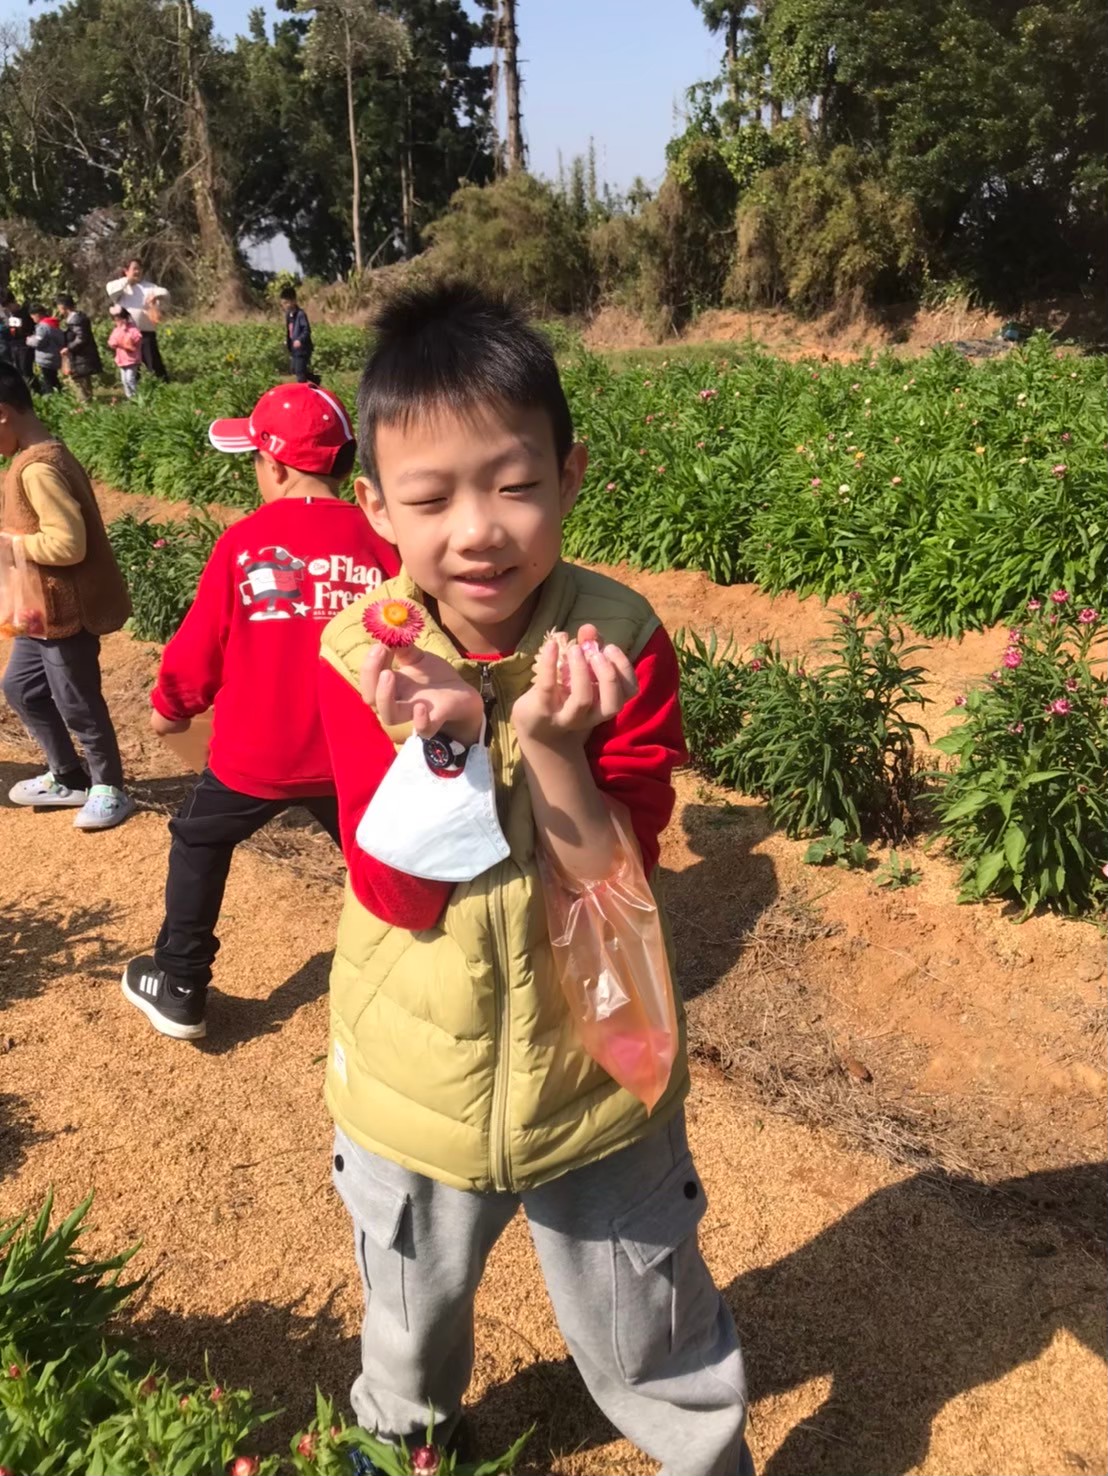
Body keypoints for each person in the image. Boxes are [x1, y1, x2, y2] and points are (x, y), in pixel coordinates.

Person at [315, 284, 752, 1476]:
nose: (477, 532)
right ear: (374, 508)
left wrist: (552, 748)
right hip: (415, 1079)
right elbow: (397, 893)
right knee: (409, 1317)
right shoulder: (360, 653)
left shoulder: (621, 639)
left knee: (650, 1322)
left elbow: (617, 881)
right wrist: (446, 749)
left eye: (513, 486)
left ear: (568, 476)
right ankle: (403, 1442)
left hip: (598, 1073)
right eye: (429, 499)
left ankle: (702, 1454)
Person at [120, 381, 399, 1042]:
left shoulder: (245, 542)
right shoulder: (382, 538)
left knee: (199, 839)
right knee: (385, 860)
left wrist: (171, 708)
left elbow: (200, 647)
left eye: (254, 459)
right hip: (356, 757)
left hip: (256, 756)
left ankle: (181, 984)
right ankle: (411, 979)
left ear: (274, 466)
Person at [0, 363, 135, 830]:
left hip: (66, 612)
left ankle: (109, 786)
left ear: (2, 413)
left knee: (77, 700)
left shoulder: (38, 468)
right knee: (21, 688)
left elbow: (68, 544)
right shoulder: (34, 456)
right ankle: (67, 775)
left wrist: (11, 546)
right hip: (40, 611)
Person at [106, 258, 169, 382]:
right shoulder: (120, 287)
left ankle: (161, 385)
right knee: (131, 364)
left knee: (153, 362)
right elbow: (111, 290)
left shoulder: (148, 287)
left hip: (145, 332)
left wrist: (155, 296)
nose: (137, 271)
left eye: (139, 269)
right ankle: (135, 387)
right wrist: (128, 280)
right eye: (134, 269)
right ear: (126, 270)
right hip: (127, 335)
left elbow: (165, 293)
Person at [57, 294, 104, 401]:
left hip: (81, 356)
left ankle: (85, 402)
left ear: (62, 307)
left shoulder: (76, 320)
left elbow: (81, 338)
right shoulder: (75, 319)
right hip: (80, 356)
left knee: (81, 380)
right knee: (82, 379)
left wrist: (69, 348)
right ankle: (86, 400)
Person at [280, 285, 318, 385]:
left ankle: (303, 389)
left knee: (300, 373)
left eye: (286, 303)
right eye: (283, 303)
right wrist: (288, 340)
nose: (284, 305)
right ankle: (316, 380)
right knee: (294, 369)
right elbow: (290, 330)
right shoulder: (288, 315)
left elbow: (306, 330)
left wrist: (300, 340)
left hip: (303, 348)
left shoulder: (301, 314)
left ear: (293, 301)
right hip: (294, 348)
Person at [27, 305, 65, 395]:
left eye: (33, 317)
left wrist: (29, 340)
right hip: (54, 355)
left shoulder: (43, 327)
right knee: (53, 379)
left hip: (46, 357)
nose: (33, 320)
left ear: (37, 315)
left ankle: (52, 397)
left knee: (49, 381)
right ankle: (59, 394)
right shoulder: (53, 324)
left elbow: (39, 342)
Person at [107, 306, 143, 399]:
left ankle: (135, 396)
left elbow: (137, 338)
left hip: (132, 359)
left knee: (130, 379)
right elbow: (111, 341)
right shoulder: (116, 330)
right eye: (116, 320)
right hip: (122, 359)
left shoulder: (132, 329)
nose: (118, 321)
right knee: (124, 380)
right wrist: (116, 343)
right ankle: (129, 396)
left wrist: (127, 339)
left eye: (119, 319)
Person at [0, 292, 35, 385]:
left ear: (13, 303)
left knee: (26, 370)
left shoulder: (24, 313)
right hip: (15, 346)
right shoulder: (13, 316)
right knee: (20, 370)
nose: (8, 310)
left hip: (24, 345)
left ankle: (34, 387)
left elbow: (26, 330)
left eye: (9, 307)